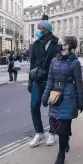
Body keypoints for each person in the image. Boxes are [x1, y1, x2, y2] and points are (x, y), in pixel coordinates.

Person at [41, 36, 83, 164]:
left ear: (68, 46)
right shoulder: (54, 60)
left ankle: (61, 155)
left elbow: (78, 83)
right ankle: (65, 141)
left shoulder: (75, 62)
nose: (59, 45)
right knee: (54, 124)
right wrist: (45, 95)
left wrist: (80, 101)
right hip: (55, 95)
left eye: (62, 43)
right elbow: (50, 80)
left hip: (69, 96)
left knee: (63, 126)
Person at [28, 17, 61, 147]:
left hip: (52, 80)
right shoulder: (36, 44)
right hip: (38, 79)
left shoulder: (57, 43)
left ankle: (52, 133)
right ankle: (39, 132)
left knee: (53, 106)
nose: (38, 31)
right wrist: (30, 81)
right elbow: (32, 63)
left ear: (47, 30)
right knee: (34, 105)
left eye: (40, 29)